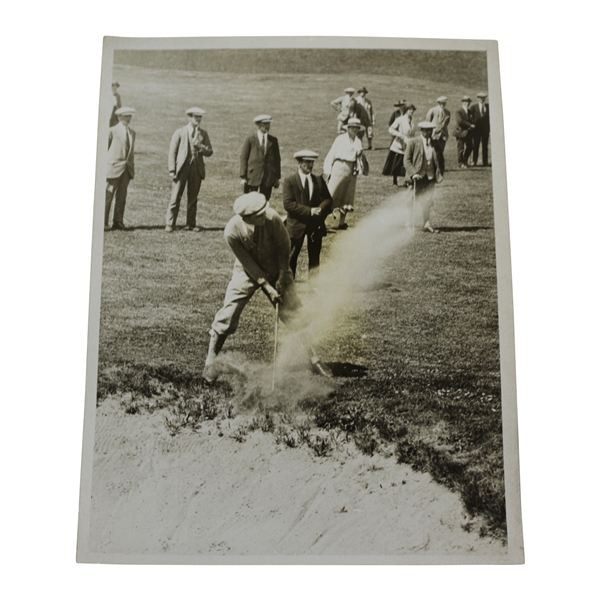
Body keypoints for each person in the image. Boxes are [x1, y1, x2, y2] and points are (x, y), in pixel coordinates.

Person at [203, 192, 332, 382]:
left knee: (293, 313)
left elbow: (284, 247)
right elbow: (247, 263)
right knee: (228, 314)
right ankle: (210, 362)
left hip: (277, 266)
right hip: (246, 270)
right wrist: (266, 286)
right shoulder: (231, 231)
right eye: (259, 214)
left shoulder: (272, 219)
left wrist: (281, 275)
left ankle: (314, 359)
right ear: (247, 218)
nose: (265, 214)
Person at [283, 150, 333, 278]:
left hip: (314, 227)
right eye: (307, 162)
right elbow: (288, 204)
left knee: (315, 258)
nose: (310, 165)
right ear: (299, 163)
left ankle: (314, 286)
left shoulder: (318, 180)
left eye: (312, 162)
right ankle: (289, 286)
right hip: (296, 225)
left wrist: (321, 208)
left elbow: (328, 199)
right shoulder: (290, 181)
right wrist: (309, 211)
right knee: (291, 257)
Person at [166, 107, 213, 232]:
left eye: (200, 117)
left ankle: (191, 224)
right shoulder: (180, 132)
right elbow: (172, 152)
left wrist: (200, 146)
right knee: (175, 197)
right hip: (181, 169)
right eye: (195, 117)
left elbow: (209, 151)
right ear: (189, 117)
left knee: (193, 198)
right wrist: (172, 170)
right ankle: (170, 223)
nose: (198, 119)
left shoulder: (203, 134)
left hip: (196, 169)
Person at [323, 118, 366, 230]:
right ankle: (320, 221)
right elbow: (331, 154)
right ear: (348, 128)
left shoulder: (358, 141)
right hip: (339, 168)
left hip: (352, 170)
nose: (355, 130)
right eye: (352, 127)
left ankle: (342, 222)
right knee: (332, 194)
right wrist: (328, 170)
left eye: (357, 127)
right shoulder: (340, 139)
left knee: (347, 197)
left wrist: (360, 156)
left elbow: (360, 158)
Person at [404, 121, 444, 233]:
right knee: (411, 200)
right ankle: (408, 223)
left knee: (427, 200)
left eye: (430, 130)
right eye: (426, 130)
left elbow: (441, 160)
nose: (428, 132)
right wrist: (413, 173)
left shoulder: (435, 143)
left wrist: (439, 173)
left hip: (430, 177)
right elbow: (406, 161)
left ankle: (426, 223)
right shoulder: (413, 142)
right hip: (416, 177)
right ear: (421, 130)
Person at [105, 107, 136, 231]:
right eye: (125, 116)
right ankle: (104, 222)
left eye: (129, 116)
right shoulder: (111, 131)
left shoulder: (132, 132)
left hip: (126, 169)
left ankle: (118, 221)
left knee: (122, 196)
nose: (128, 119)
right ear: (119, 117)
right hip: (113, 168)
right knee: (108, 196)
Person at [239, 115, 281, 201]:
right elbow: (243, 157)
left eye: (268, 124)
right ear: (258, 125)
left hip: (268, 178)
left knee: (264, 201)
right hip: (252, 177)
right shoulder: (250, 140)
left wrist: (277, 177)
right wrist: (243, 177)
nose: (267, 126)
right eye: (265, 124)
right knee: (249, 201)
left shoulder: (273, 140)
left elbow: (277, 160)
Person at [383, 103, 417, 186]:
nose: (411, 111)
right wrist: (400, 135)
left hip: (409, 142)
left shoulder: (413, 120)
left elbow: (413, 133)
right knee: (397, 163)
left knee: (408, 162)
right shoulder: (400, 119)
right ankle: (395, 180)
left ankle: (408, 180)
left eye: (412, 110)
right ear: (406, 111)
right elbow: (391, 129)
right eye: (409, 110)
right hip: (400, 143)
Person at [426, 96, 451, 175]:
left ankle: (439, 167)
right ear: (438, 103)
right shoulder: (432, 110)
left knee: (441, 151)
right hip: (434, 135)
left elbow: (447, 124)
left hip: (443, 135)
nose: (442, 105)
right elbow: (428, 122)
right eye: (441, 103)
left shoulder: (448, 112)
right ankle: (432, 166)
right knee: (433, 151)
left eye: (444, 103)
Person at [454, 96, 475, 168]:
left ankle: (465, 161)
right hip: (460, 132)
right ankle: (460, 163)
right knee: (461, 149)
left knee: (470, 147)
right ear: (462, 102)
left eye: (468, 102)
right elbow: (460, 122)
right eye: (465, 102)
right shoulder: (459, 111)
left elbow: (472, 120)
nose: (467, 103)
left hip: (468, 132)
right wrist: (470, 125)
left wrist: (472, 125)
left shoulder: (470, 111)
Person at [471, 92, 490, 166]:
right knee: (476, 145)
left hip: (485, 130)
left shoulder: (488, 106)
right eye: (480, 98)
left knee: (485, 146)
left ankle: (485, 162)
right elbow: (471, 118)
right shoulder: (473, 107)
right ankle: (474, 161)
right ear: (477, 98)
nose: (482, 99)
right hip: (476, 130)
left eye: (483, 98)